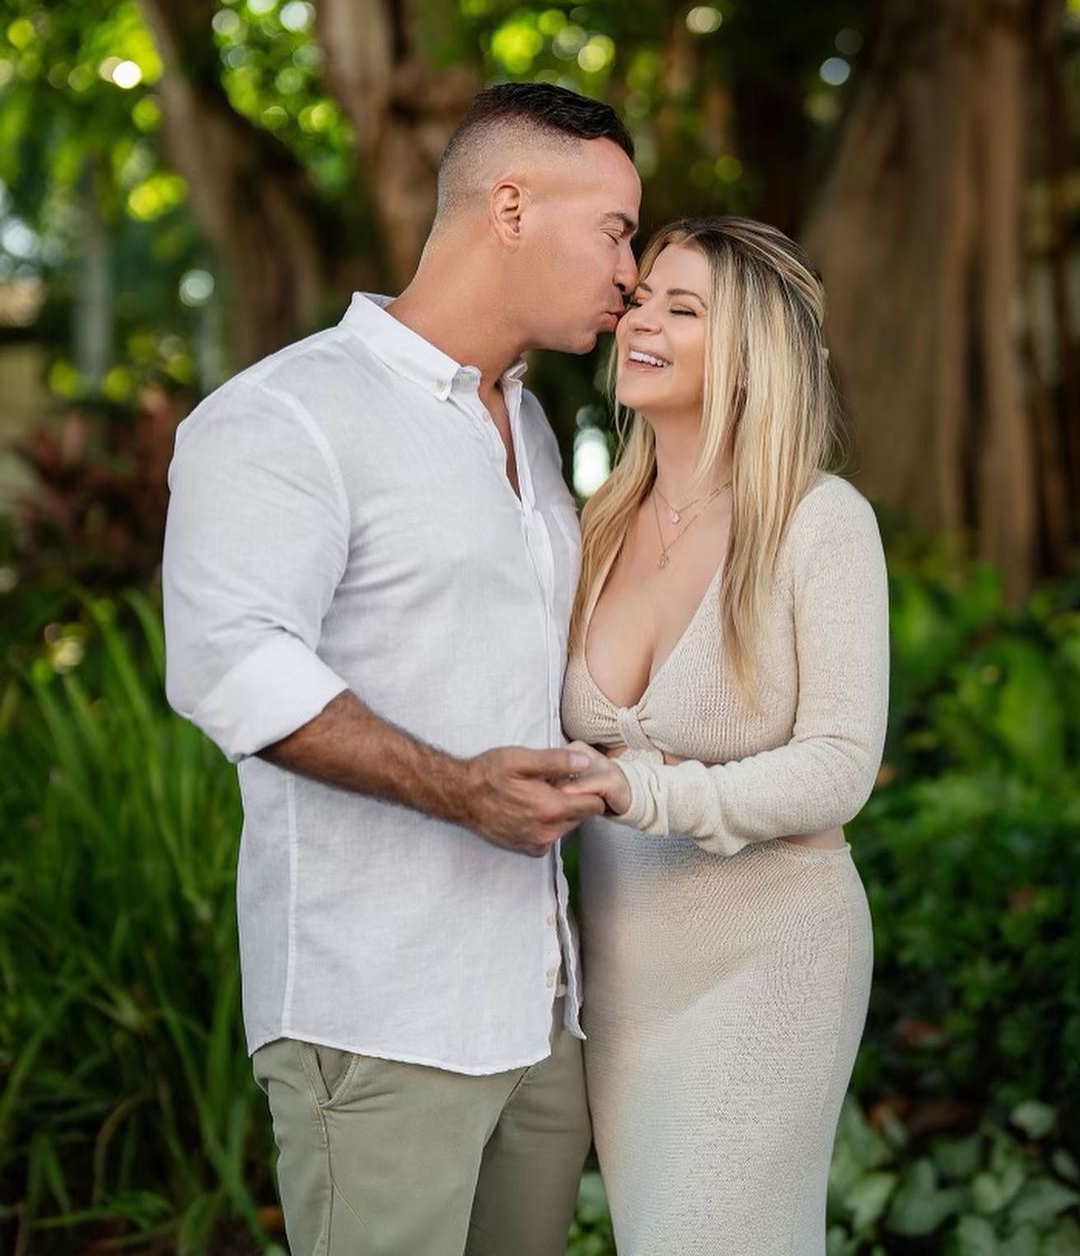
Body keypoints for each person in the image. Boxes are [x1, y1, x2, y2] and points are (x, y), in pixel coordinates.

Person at [161, 82, 641, 1256]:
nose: (630, 275)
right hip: (379, 1015)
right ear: (511, 207)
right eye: (617, 232)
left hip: (540, 1008)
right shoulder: (286, 415)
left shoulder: (530, 426)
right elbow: (230, 663)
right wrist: (456, 788)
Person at [559, 217, 889, 1255]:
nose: (640, 320)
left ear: (750, 354)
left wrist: (648, 790)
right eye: (640, 299)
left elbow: (840, 766)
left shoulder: (819, 521)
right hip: (623, 973)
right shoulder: (593, 526)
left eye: (682, 308)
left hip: (770, 959)